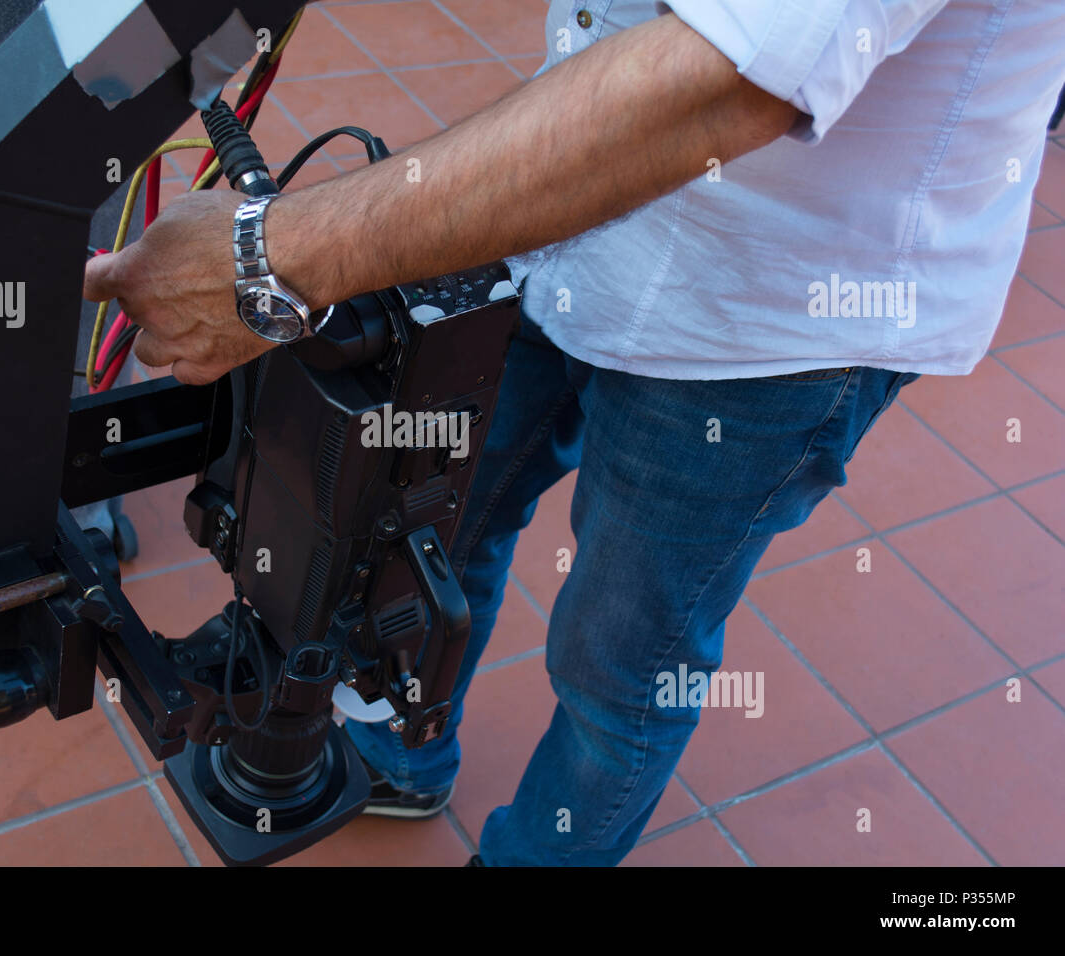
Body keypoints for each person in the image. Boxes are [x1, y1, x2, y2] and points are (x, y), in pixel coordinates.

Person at [83, 1, 1065, 865]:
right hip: (569, 217)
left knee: (619, 654)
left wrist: (272, 256)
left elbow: (735, 76)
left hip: (773, 322)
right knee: (428, 527)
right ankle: (404, 747)